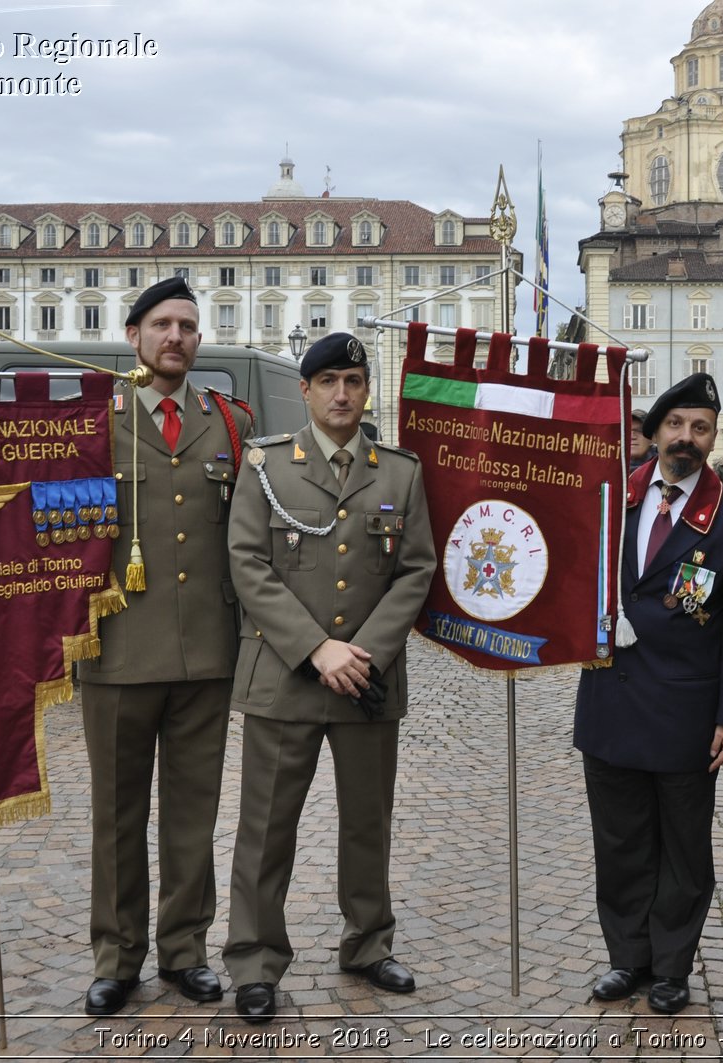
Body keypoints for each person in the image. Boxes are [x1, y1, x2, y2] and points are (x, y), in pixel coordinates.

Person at [223, 331, 434, 1024]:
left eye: (353, 379)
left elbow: (416, 569)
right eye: (328, 382)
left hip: (368, 680)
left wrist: (363, 650)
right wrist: (318, 649)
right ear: (306, 391)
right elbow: (248, 565)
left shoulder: (399, 472)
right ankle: (254, 962)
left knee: (367, 824)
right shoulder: (265, 465)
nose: (341, 393)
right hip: (285, 678)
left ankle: (368, 944)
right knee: (265, 829)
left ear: (366, 388)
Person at [76, 277, 254, 1016]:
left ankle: (184, 949)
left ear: (198, 341)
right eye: (160, 324)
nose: (175, 336)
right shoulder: (92, 422)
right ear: (134, 336)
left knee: (192, 812)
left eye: (186, 325)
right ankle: (118, 956)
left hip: (206, 654)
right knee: (117, 814)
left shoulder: (231, 422)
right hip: (116, 651)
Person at [574, 373, 723, 1016]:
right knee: (621, 842)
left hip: (686, 711)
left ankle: (673, 967)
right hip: (611, 699)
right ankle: (628, 957)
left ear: (712, 439)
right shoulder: (609, 499)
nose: (687, 438)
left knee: (684, 849)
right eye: (676, 425)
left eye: (701, 428)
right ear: (654, 432)